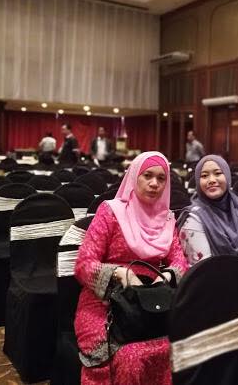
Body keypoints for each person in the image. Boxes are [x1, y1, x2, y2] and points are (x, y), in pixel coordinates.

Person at [74, 151, 188, 384]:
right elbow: (84, 264)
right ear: (135, 176)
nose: (154, 183)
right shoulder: (111, 211)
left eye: (161, 178)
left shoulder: (167, 219)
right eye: (148, 175)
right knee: (130, 357)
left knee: (177, 344)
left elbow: (180, 262)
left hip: (152, 300)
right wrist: (119, 273)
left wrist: (166, 275)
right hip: (107, 302)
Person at [178, 155, 238, 266]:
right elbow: (204, 266)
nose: (212, 180)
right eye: (204, 175)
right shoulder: (193, 218)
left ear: (227, 176)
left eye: (217, 173)